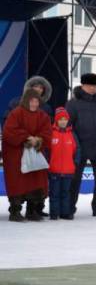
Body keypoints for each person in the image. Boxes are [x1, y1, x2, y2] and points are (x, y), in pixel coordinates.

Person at [66, 73, 96, 217]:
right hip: (80, 147)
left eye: (94, 85)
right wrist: (74, 145)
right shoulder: (73, 103)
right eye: (89, 85)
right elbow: (68, 126)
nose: (92, 88)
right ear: (82, 85)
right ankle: (69, 207)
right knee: (75, 179)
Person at [2, 89, 52, 222]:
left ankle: (32, 210)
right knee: (18, 183)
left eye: (36, 101)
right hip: (16, 156)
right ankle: (15, 211)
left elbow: (47, 132)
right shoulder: (16, 113)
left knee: (36, 181)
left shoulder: (43, 116)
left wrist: (38, 140)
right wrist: (26, 138)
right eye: (32, 101)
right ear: (25, 101)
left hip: (35, 155)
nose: (34, 104)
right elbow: (8, 132)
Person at [48, 107, 77, 220]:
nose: (63, 121)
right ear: (56, 121)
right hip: (54, 170)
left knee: (66, 193)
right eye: (60, 119)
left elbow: (77, 151)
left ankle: (65, 213)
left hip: (68, 170)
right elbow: (47, 151)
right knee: (54, 193)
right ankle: (54, 213)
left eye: (65, 119)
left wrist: (75, 163)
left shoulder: (72, 135)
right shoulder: (51, 134)